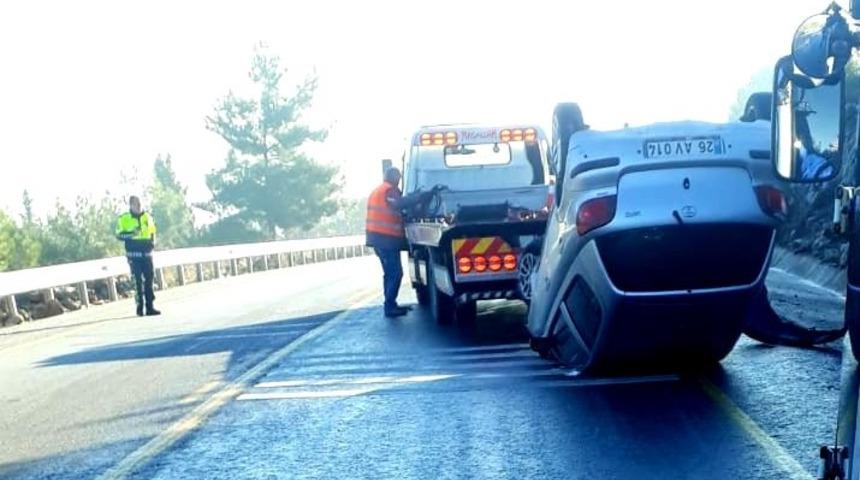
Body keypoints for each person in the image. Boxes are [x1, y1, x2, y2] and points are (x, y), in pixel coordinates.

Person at [366, 167, 432, 318]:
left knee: (389, 273)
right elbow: (399, 204)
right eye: (399, 178)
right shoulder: (389, 190)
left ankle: (390, 305)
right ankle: (389, 306)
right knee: (395, 273)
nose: (400, 181)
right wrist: (420, 197)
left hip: (378, 239)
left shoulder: (379, 190)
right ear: (395, 178)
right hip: (385, 239)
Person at [116, 196, 160, 316]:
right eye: (136, 205)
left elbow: (152, 232)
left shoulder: (147, 217)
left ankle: (150, 306)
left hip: (147, 255)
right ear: (131, 205)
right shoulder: (124, 218)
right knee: (137, 281)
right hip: (133, 256)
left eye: (140, 204)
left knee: (149, 280)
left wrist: (153, 243)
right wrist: (131, 234)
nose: (139, 206)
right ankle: (139, 306)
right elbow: (119, 235)